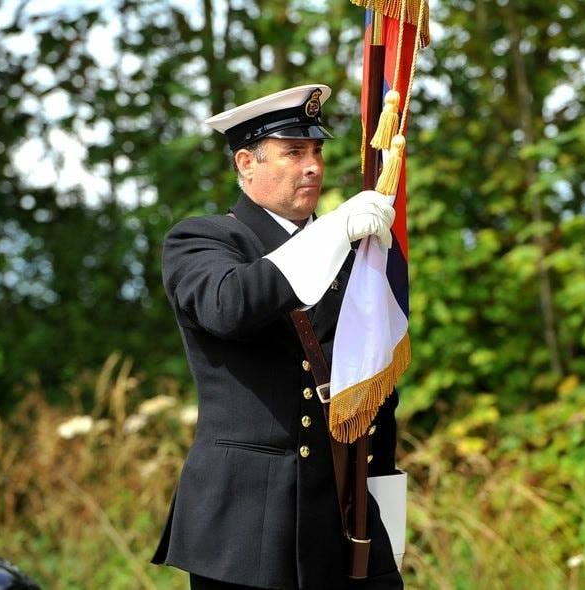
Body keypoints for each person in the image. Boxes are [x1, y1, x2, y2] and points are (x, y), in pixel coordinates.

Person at [151, 84, 404, 590]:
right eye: (293, 152)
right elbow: (229, 306)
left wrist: (385, 501)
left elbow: (375, 378)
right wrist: (332, 232)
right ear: (246, 163)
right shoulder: (203, 238)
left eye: (316, 151)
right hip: (248, 522)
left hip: (343, 505)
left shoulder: (352, 249)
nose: (312, 165)